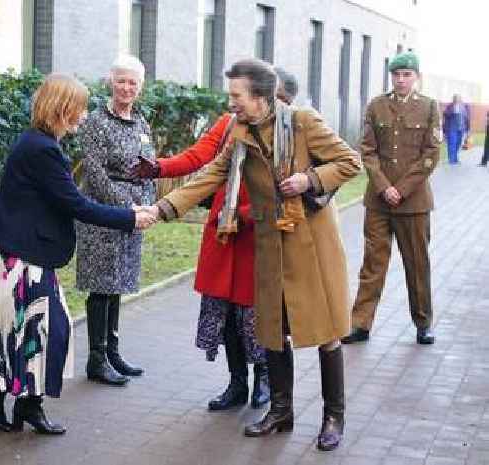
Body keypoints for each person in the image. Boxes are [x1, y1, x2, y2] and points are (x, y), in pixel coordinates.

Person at [145, 58, 361, 451]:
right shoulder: (240, 131)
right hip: (269, 246)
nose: (231, 103)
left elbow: (350, 161)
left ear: (261, 97)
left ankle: (334, 417)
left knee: (326, 332)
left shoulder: (302, 122)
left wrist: (309, 179)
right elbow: (213, 174)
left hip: (311, 245)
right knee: (274, 332)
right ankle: (281, 411)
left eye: (236, 96)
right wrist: (162, 209)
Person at [0, 73, 156, 435]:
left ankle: (27, 403)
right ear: (62, 108)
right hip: (17, 253)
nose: (85, 115)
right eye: (80, 108)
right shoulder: (40, 148)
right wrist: (129, 217)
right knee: (23, 329)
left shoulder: (41, 143)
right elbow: (75, 203)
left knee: (36, 331)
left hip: (29, 252)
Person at [130, 67, 301, 411]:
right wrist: (159, 168)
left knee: (257, 315)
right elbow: (199, 157)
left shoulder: (292, 131)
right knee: (223, 313)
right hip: (224, 233)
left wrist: (251, 215)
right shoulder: (230, 123)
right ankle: (237, 382)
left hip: (260, 234)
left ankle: (264, 379)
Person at [342, 51, 441, 346]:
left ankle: (423, 322)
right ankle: (360, 323)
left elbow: (431, 154)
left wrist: (403, 188)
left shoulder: (429, 107)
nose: (401, 80)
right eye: (396, 75)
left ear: (416, 77)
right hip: (379, 202)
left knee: (417, 264)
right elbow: (368, 151)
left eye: (407, 75)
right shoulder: (376, 106)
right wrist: (385, 187)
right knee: (373, 264)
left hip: (414, 203)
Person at [75, 55, 156, 386]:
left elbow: (150, 166)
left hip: (134, 214)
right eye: (121, 80)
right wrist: (128, 209)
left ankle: (113, 352)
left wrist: (148, 206)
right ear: (110, 82)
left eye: (132, 82)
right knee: (102, 284)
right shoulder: (96, 121)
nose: (126, 87)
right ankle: (96, 358)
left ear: (140, 87)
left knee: (119, 283)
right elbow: (95, 175)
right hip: (103, 215)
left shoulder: (140, 122)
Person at [443, 93, 470, 165]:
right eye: (456, 98)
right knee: (452, 143)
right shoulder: (450, 106)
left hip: (461, 128)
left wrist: (468, 130)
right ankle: (451, 159)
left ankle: (455, 158)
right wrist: (453, 110)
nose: (458, 99)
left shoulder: (465, 106)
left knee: (458, 144)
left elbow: (467, 119)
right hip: (452, 128)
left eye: (459, 98)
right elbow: (445, 115)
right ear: (454, 99)